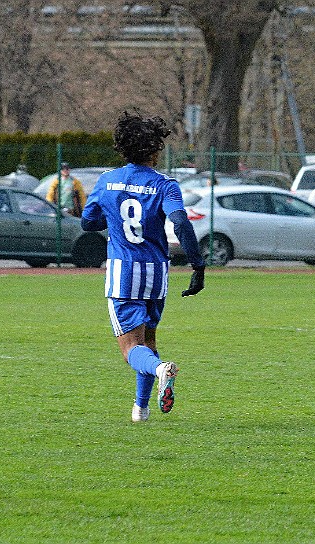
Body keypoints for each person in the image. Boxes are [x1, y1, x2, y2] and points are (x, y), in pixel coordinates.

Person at [81, 110, 206, 423]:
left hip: (123, 273)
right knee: (149, 342)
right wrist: (198, 264)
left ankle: (161, 370)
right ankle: (141, 409)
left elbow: (87, 222)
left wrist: (108, 217)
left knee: (131, 350)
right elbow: (179, 221)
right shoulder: (165, 185)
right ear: (155, 150)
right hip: (156, 273)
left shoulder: (107, 181)